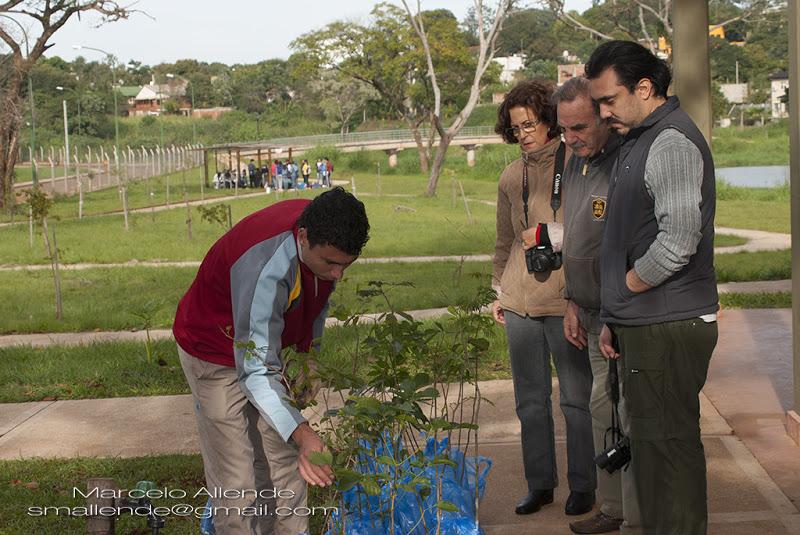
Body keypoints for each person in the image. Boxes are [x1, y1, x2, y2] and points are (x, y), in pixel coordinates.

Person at [173, 188, 370, 535]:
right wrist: (304, 432)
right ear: (303, 237)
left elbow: (316, 301)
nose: (338, 274)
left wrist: (308, 355)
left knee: (283, 463)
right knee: (237, 476)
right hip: (213, 351)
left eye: (346, 265)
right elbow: (253, 367)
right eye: (332, 263)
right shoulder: (266, 266)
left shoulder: (325, 236)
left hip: (265, 350)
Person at [585, 40, 719, 535]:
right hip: (645, 321)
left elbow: (679, 239)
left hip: (668, 324)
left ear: (644, 89)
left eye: (608, 100)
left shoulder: (670, 142)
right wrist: (616, 316)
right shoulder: (640, 138)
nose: (602, 113)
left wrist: (627, 285)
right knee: (654, 448)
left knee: (668, 454)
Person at [492, 79, 595, 518]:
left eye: (530, 124)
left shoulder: (576, 162)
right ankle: (540, 484)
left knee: (576, 398)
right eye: (516, 128)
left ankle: (585, 485)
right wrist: (497, 290)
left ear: (549, 119)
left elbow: (592, 231)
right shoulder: (511, 175)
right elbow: (502, 241)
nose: (524, 134)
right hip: (519, 301)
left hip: (565, 299)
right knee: (529, 402)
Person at [554, 77, 641, 535]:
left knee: (629, 416)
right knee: (603, 411)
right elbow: (576, 238)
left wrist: (613, 313)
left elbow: (628, 246)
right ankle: (612, 509)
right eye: (564, 129)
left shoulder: (626, 158)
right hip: (586, 311)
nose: (570, 138)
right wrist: (571, 298)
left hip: (620, 317)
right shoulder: (574, 161)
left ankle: (635, 513)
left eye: (580, 128)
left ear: (604, 116)